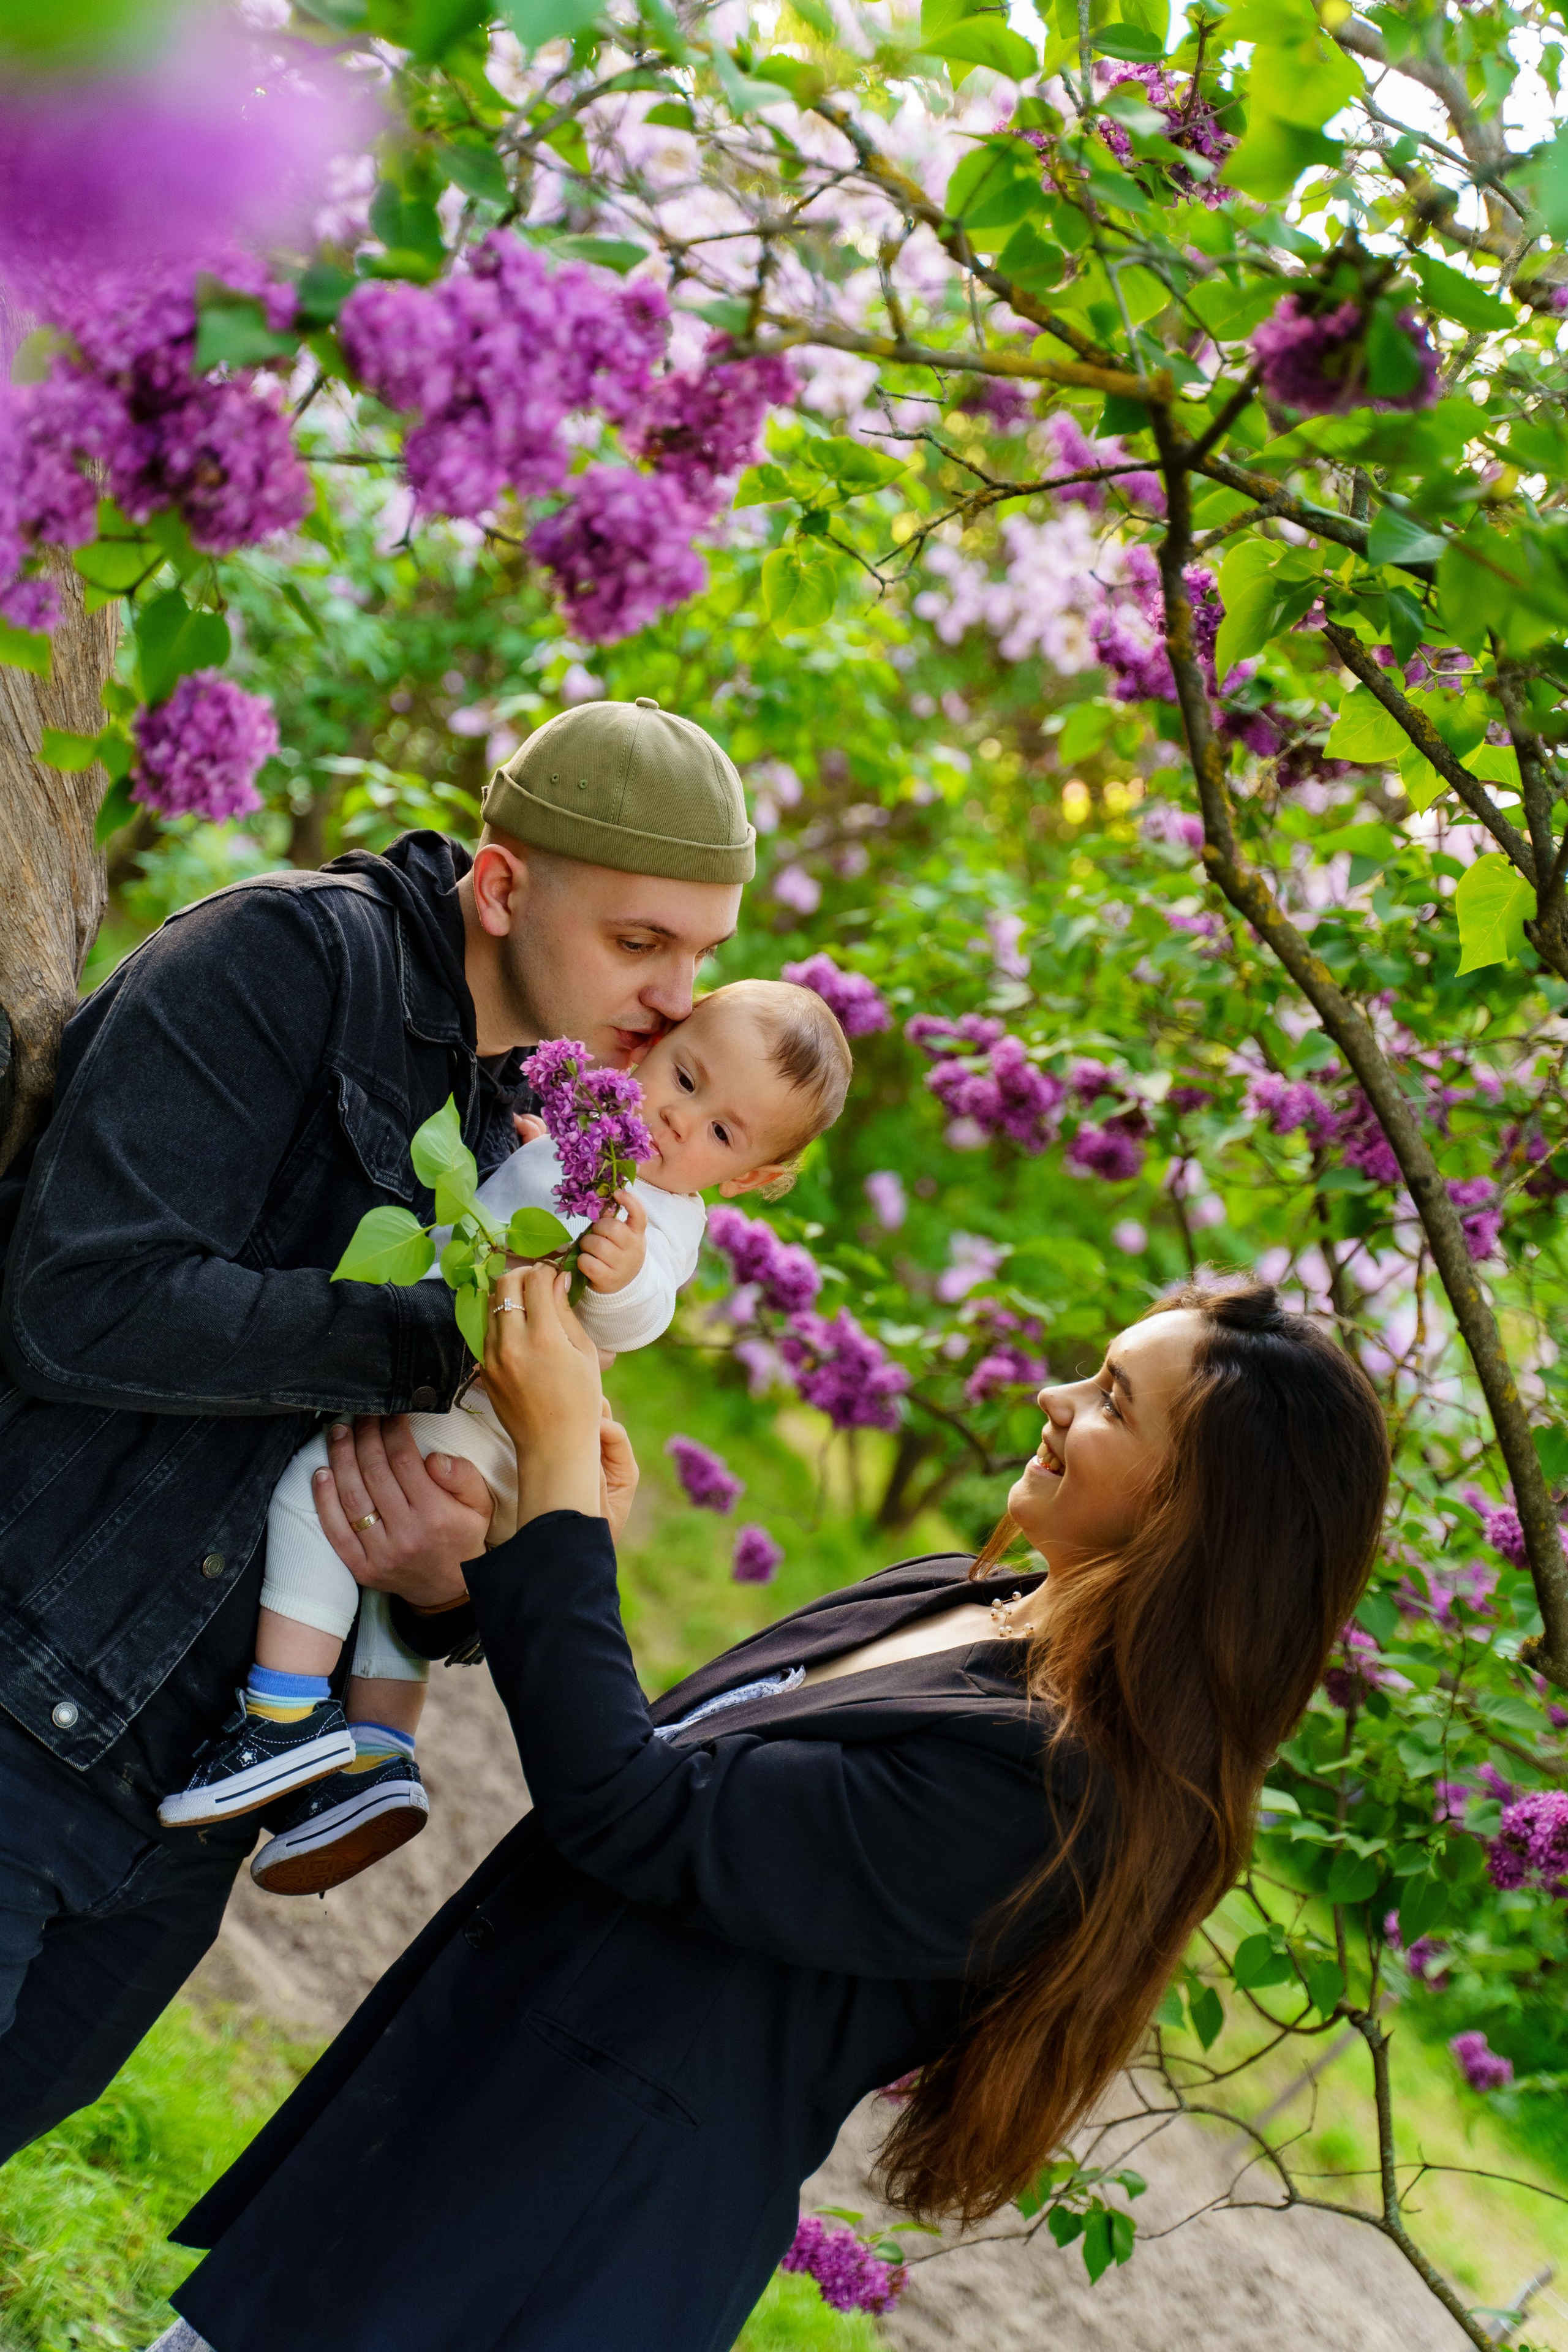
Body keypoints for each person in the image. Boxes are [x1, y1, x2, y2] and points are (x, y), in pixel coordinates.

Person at [151, 1272, 1390, 2352]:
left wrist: (561, 1485)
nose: (1054, 1398)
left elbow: (633, 1809)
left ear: (1200, 1516)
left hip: (551, 2229)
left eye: (1113, 1400)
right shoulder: (967, 1603)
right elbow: (675, 1771)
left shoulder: (1058, 1794)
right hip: (469, 2109)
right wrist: (517, 1547)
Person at [0, 694, 754, 2165]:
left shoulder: (543, 1131)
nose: (676, 1002)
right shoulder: (287, 962)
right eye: (639, 943)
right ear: (502, 886)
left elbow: (381, 1490)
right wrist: (447, 1339)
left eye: (701, 957)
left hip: (190, 1803)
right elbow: (75, 1305)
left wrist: (452, 1574)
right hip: (26, 1703)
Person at [158, 979, 852, 1898]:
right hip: (472, 1411)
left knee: (315, 1499)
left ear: (750, 1179)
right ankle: (375, 1756)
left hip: (483, 1417)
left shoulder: (660, 1219)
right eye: (685, 1080)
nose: (679, 1121)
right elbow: (525, 1206)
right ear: (652, 1046)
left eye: (722, 1133)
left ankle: (280, 1716)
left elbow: (643, 1309)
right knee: (382, 1588)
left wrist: (622, 1273)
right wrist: (537, 1163)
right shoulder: (587, 1143)